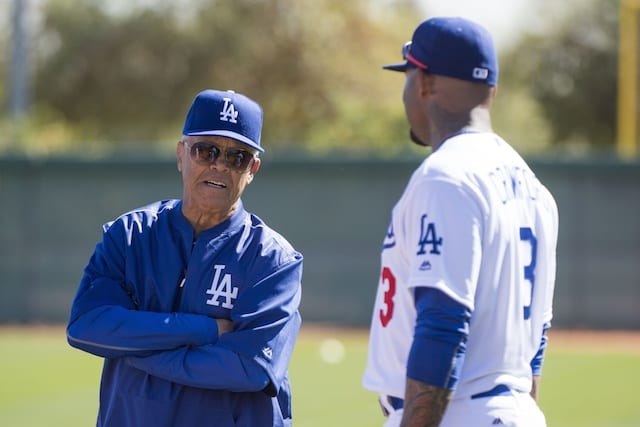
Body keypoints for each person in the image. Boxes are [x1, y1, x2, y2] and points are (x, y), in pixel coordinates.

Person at [362, 17, 558, 427]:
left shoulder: (448, 175)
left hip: (459, 412)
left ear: (425, 84)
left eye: (408, 75)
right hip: (514, 410)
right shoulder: (535, 189)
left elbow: (443, 322)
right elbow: (535, 345)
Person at [67, 89, 303, 427]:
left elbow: (251, 368)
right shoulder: (130, 236)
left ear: (252, 169)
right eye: (206, 150)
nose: (219, 164)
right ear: (181, 155)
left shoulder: (272, 260)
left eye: (236, 157)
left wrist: (136, 348)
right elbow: (85, 327)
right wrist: (206, 329)